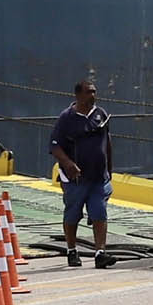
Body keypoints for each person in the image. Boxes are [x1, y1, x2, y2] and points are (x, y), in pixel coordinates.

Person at [50, 78, 115, 267]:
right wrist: (68, 163)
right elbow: (55, 146)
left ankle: (100, 254)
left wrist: (109, 170)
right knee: (73, 214)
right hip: (75, 179)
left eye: (94, 91)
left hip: (98, 177)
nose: (93, 95)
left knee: (99, 212)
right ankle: (71, 250)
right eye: (89, 92)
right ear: (78, 95)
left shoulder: (100, 114)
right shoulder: (66, 118)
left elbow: (107, 143)